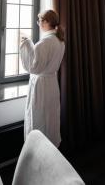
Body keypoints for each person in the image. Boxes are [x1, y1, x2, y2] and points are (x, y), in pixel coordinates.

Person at [20, 9, 65, 147]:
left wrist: (26, 43)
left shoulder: (45, 42)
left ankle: (37, 150)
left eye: (39, 21)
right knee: (50, 118)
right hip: (52, 84)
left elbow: (33, 66)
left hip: (41, 85)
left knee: (38, 118)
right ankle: (50, 149)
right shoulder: (59, 41)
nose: (38, 23)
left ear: (46, 22)